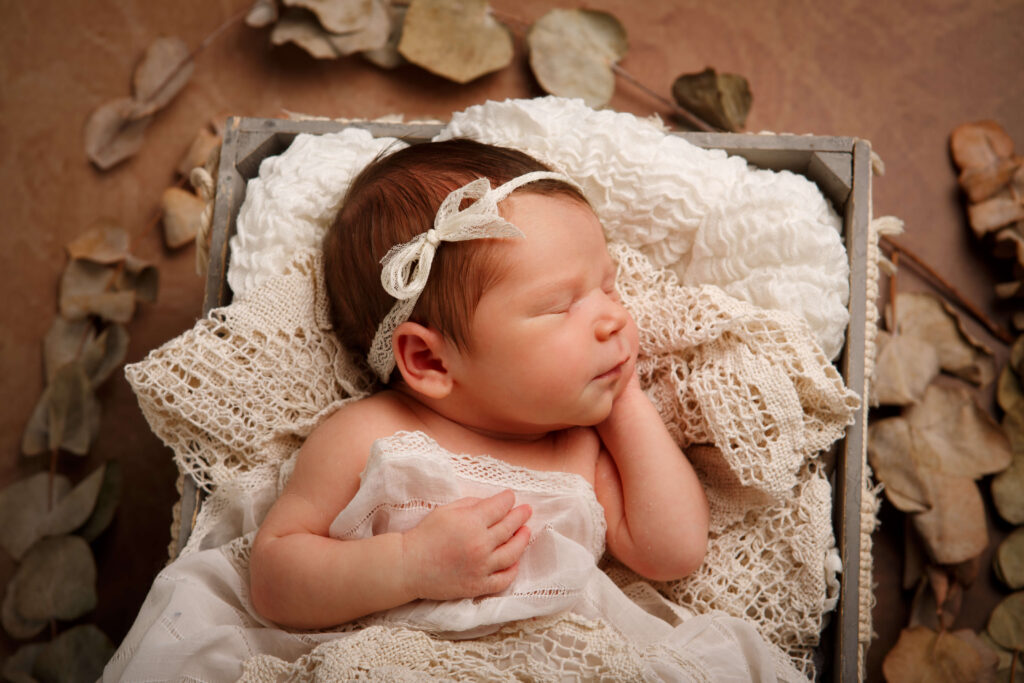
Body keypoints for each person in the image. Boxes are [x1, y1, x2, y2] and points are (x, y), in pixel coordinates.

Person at [247, 139, 805, 680]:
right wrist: (408, 563)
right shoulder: (368, 437)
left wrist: (623, 401)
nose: (613, 318)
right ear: (429, 360)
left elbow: (675, 550)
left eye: (608, 288)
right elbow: (274, 578)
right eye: (560, 306)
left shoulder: (579, 445)